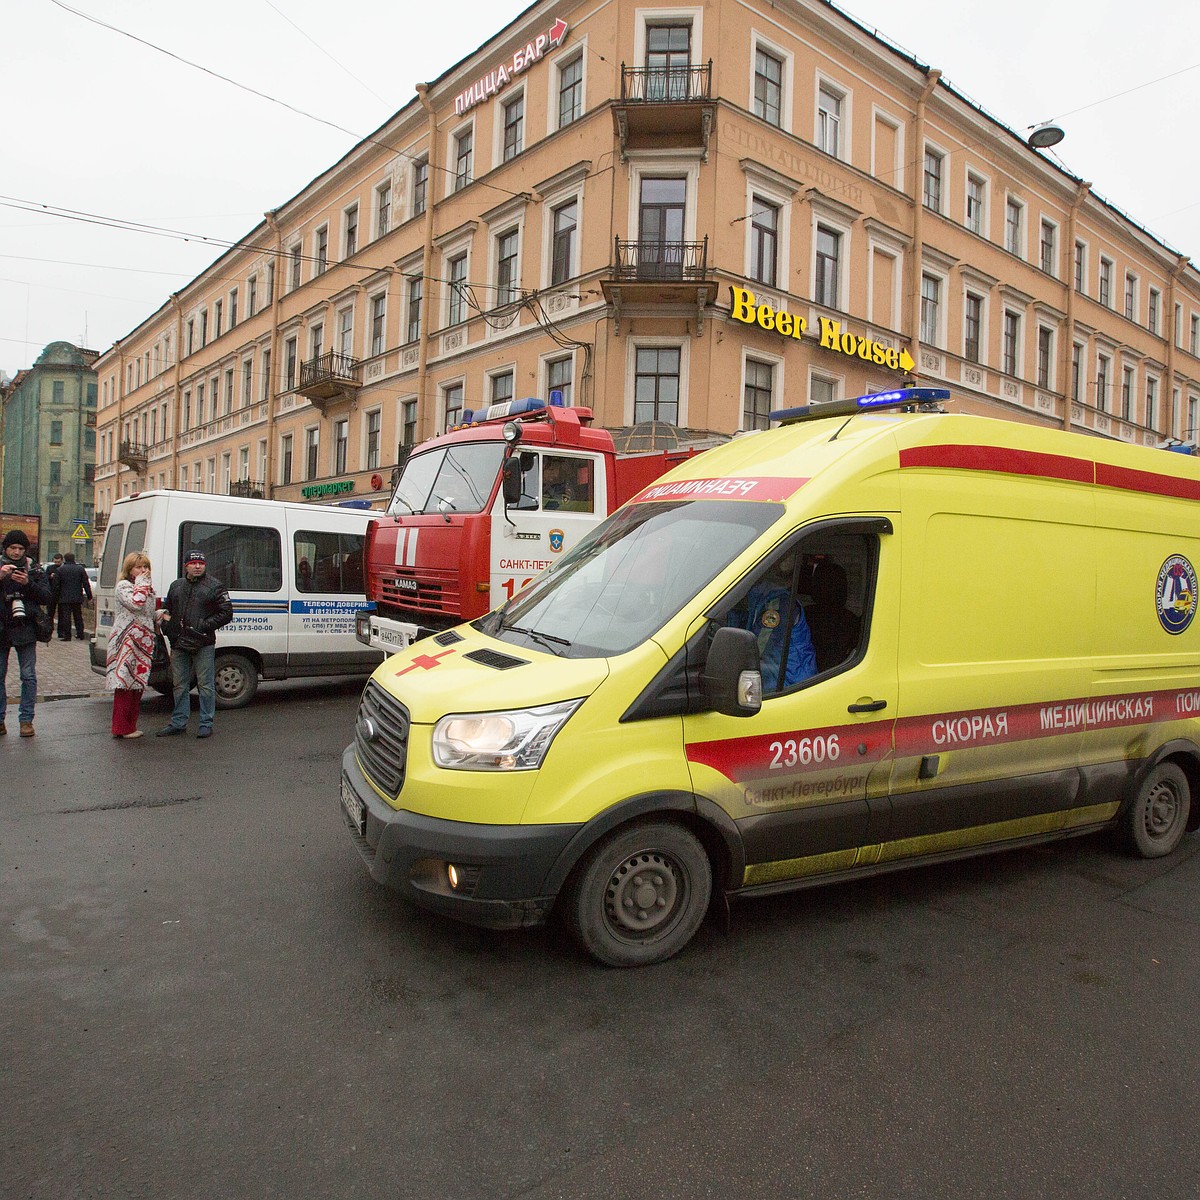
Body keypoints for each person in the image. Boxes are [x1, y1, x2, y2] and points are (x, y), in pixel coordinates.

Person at [155, 550, 233, 739]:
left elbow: (226, 613)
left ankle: (206, 723)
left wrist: (203, 626)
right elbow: (168, 611)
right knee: (179, 685)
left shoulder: (215, 586)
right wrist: (168, 626)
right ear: (186, 566)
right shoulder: (176, 586)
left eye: (201, 563)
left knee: (205, 685)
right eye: (193, 563)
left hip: (203, 642)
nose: (197, 566)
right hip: (179, 643)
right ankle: (178, 722)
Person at [727, 551, 817, 693]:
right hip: (771, 677)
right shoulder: (755, 597)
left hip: (791, 685)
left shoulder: (779, 604)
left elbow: (757, 651)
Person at [0, 529, 51, 738]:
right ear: (5, 548)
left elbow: (47, 597)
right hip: (1, 628)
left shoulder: (35, 570)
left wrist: (27, 584)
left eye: (21, 548)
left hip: (26, 628)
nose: (16, 552)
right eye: (13, 548)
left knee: (28, 675)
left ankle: (26, 720)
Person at [106, 552, 157, 739]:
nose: (144, 571)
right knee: (125, 683)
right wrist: (143, 585)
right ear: (129, 570)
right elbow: (136, 604)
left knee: (137, 684)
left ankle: (130, 725)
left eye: (146, 567)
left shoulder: (147, 589)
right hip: (126, 639)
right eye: (139, 567)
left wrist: (160, 614)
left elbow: (147, 612)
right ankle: (121, 727)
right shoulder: (124, 586)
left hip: (143, 640)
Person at [53, 551, 92, 641]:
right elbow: (86, 583)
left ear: (65, 559)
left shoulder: (60, 570)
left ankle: (67, 635)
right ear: (74, 559)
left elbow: (56, 586)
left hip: (64, 598)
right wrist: (89, 596)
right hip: (77, 597)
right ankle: (80, 634)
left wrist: (55, 597)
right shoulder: (80, 569)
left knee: (66, 617)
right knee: (78, 616)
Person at [45, 553, 64, 630]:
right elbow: (45, 578)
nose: (56, 564)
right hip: (51, 593)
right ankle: (50, 628)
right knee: (50, 612)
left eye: (58, 562)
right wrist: (50, 576)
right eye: (55, 562)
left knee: (62, 613)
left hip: (61, 593)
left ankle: (61, 630)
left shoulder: (63, 568)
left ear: (62, 561)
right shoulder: (50, 568)